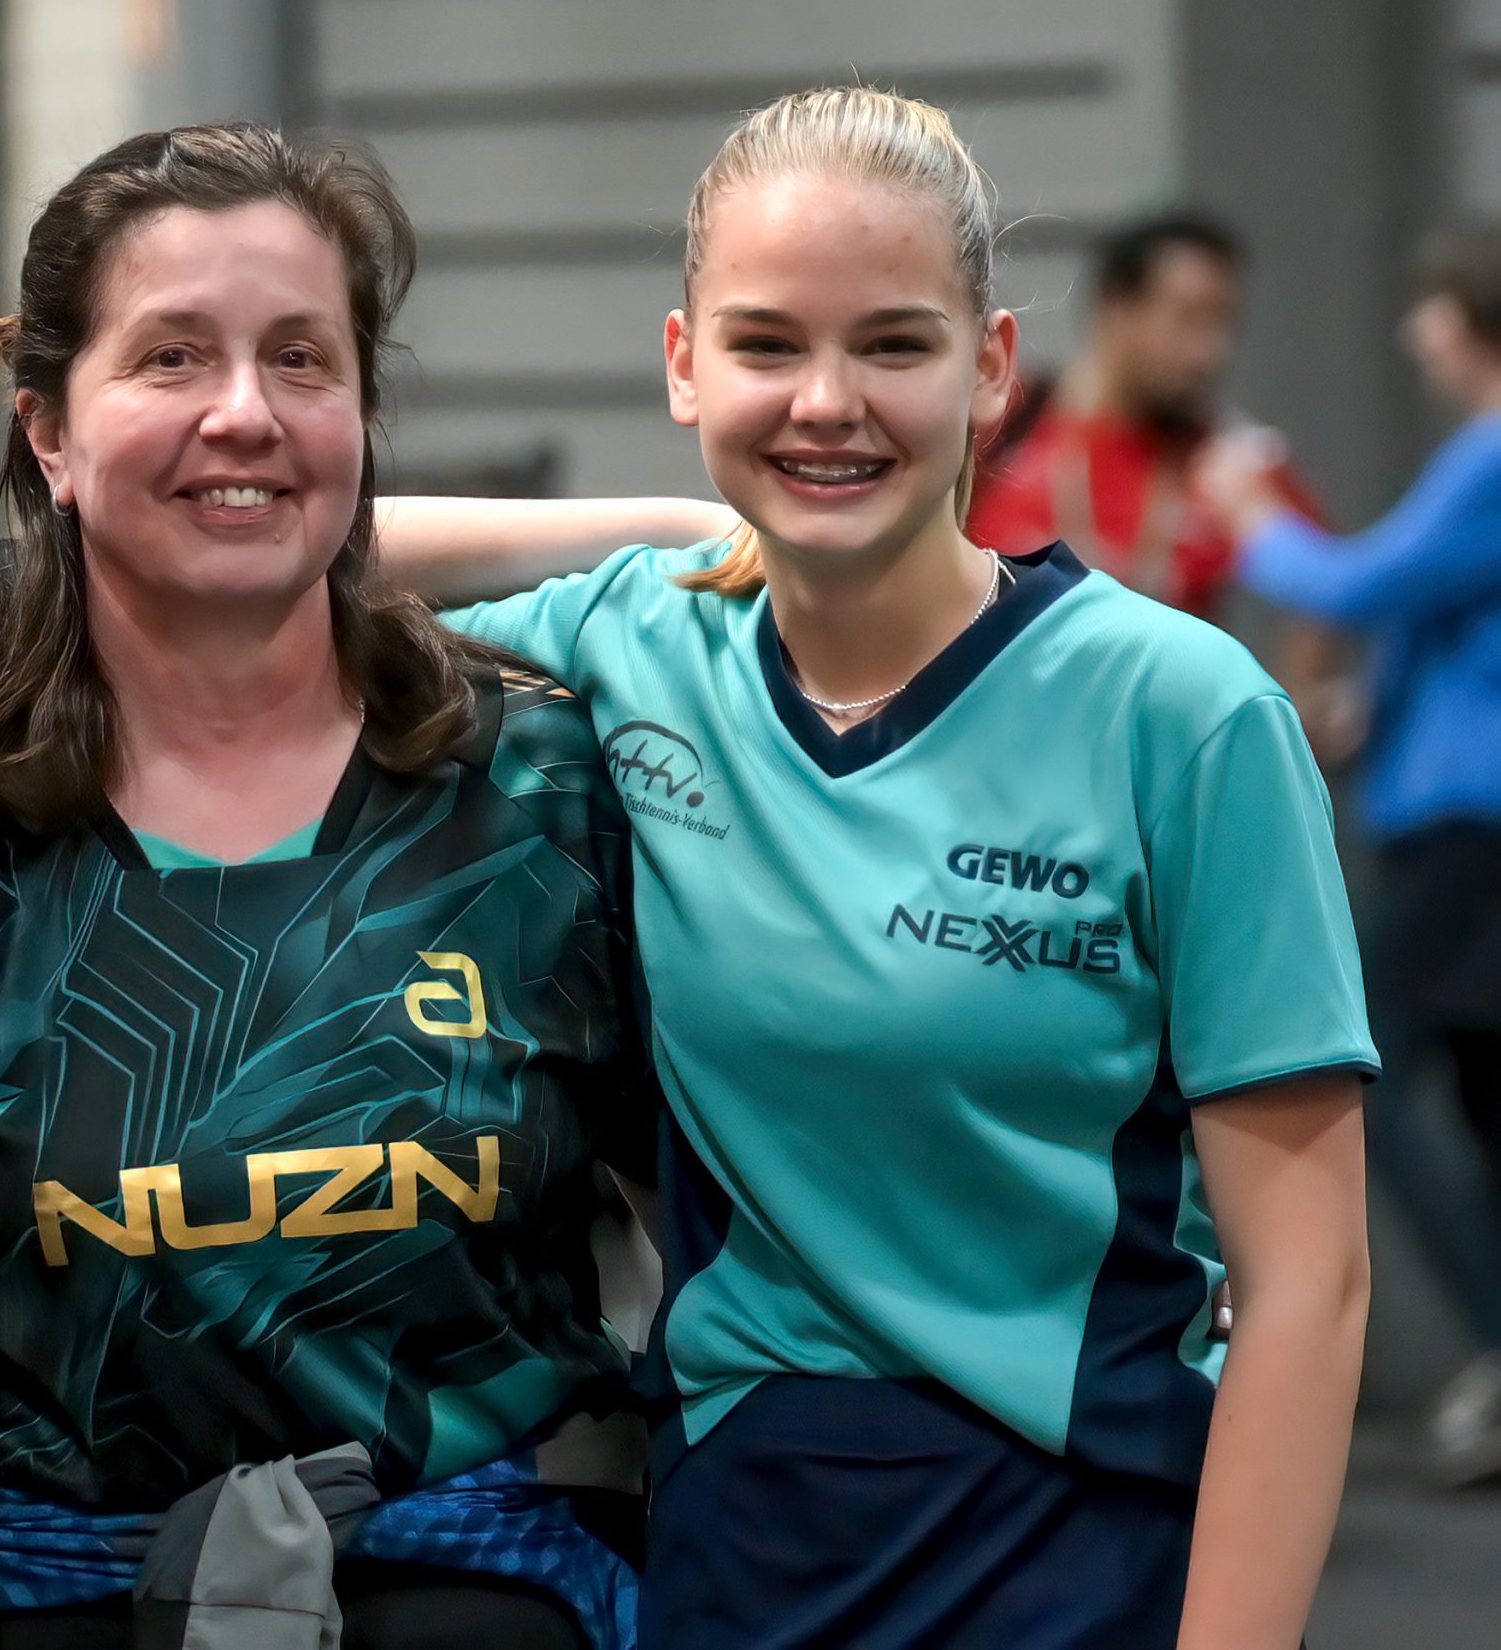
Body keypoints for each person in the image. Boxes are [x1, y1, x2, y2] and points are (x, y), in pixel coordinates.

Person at [433, 89, 1375, 1648]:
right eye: (763, 346)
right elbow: (274, 554)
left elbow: (1310, 1288)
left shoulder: (1185, 714)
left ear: (992, 367)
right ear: (681, 362)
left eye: (892, 344)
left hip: (1082, 1531)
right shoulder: (637, 637)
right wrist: (671, 514)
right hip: (746, 1529)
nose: (827, 401)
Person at [0, 125, 659, 1650]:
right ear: (47, 430)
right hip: (56, 1603)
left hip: (486, 1603)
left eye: (302, 359)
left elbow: (749, 1208)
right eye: (172, 356)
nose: (245, 412)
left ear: (363, 415)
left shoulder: (547, 789)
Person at [1198, 220, 1501, 1486]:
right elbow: (1447, 616)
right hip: (1453, 812)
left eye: (1431, 307)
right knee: (1480, 1085)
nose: (1415, 333)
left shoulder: (1491, 450)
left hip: (1463, 825)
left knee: (1356, 1062)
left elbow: (1360, 582)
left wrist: (1246, 514)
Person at [969, 214, 1330, 621]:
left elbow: (1328, 596)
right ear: (1115, 309)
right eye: (1188, 319)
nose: (1211, 352)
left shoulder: (1232, 464)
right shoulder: (1000, 423)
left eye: (1224, 323)